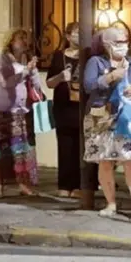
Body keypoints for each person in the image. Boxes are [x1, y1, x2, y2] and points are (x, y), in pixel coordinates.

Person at [83, 27, 131, 222]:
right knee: (105, 161)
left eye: (125, 42)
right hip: (101, 117)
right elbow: (89, 86)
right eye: (118, 42)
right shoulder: (96, 62)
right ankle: (110, 203)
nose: (123, 46)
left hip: (126, 119)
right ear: (107, 44)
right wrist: (111, 77)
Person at [0, 28, 41, 198]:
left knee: (22, 149)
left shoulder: (27, 58)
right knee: (2, 147)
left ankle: (23, 183)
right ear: (11, 41)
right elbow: (5, 82)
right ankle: (0, 184)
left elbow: (36, 84)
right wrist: (26, 70)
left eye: (26, 39)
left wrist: (33, 72)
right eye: (21, 38)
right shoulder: (4, 58)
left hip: (23, 110)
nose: (24, 42)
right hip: (5, 110)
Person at [45, 22, 82, 198]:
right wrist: (60, 77)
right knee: (65, 146)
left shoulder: (89, 56)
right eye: (76, 32)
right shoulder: (59, 56)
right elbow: (49, 83)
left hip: (82, 107)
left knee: (81, 147)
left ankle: (80, 186)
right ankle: (64, 184)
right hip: (63, 106)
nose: (79, 36)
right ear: (67, 36)